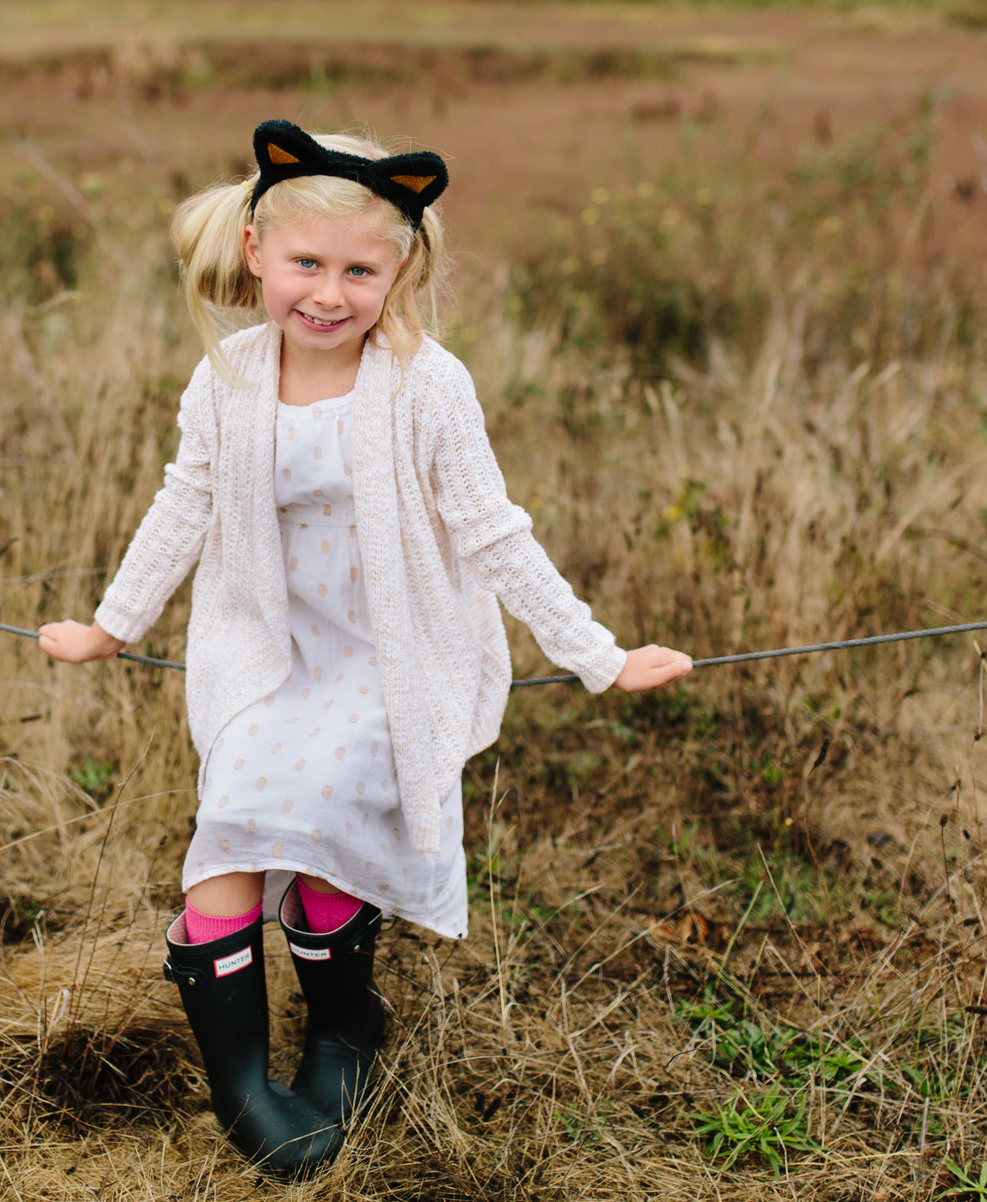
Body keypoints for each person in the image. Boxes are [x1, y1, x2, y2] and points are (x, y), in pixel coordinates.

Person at [38, 119, 692, 1178]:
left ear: (400, 270)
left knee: (339, 833)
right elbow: (184, 504)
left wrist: (598, 654)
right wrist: (115, 622)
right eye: (306, 263)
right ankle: (244, 1083)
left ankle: (344, 1027)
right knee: (231, 836)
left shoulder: (427, 386)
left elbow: (493, 532)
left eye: (358, 269)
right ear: (257, 253)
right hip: (266, 658)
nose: (328, 293)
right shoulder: (229, 377)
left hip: (388, 659)